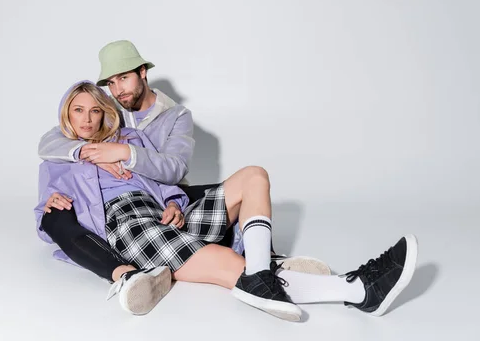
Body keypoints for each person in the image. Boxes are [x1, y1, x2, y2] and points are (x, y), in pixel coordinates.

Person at [34, 80, 418, 321]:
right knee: (234, 266)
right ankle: (356, 289)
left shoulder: (129, 142)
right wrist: (54, 203)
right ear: (67, 115)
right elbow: (50, 217)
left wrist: (171, 201)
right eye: (78, 110)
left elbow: (165, 179)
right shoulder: (59, 158)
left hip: (169, 215)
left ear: (105, 114)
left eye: (94, 110)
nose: (86, 118)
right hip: (128, 225)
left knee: (253, 176)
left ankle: (263, 269)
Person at [36, 41, 331, 313]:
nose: (118, 89)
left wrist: (126, 154)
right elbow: (52, 144)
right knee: (222, 259)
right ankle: (291, 275)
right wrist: (89, 152)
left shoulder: (168, 119)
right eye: (111, 83)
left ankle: (263, 261)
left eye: (123, 78)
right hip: (127, 219)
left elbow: (171, 172)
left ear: (142, 73)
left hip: (168, 198)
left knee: (254, 177)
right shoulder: (93, 127)